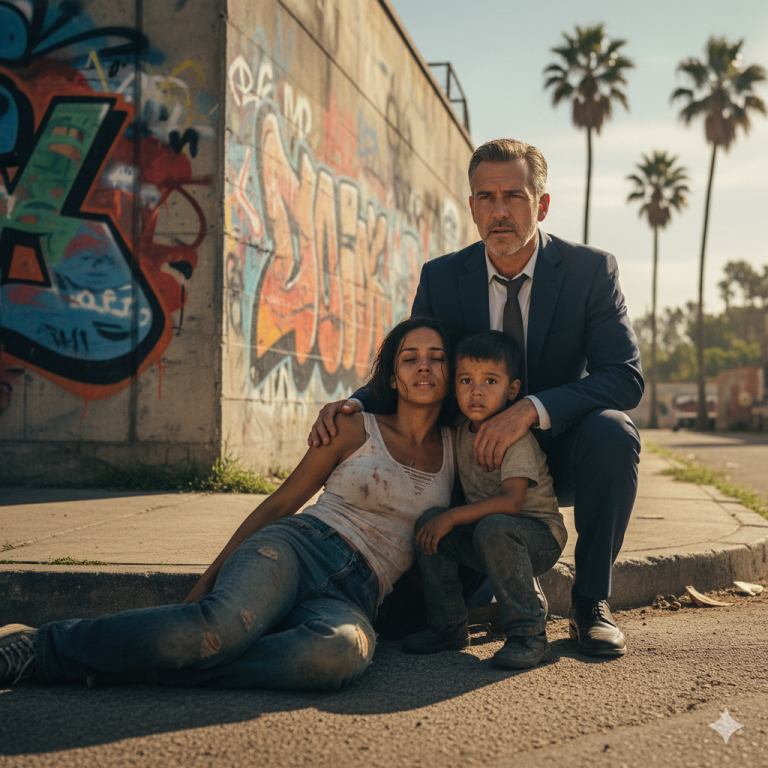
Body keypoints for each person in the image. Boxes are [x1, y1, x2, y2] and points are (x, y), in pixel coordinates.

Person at [309, 138, 643, 657]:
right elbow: (414, 358)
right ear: (471, 207)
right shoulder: (443, 276)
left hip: (563, 448)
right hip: (475, 461)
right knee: (406, 619)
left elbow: (623, 377)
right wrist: (352, 404)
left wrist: (529, 410)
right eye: (485, 198)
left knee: (614, 432)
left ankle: (589, 602)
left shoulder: (589, 272)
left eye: (514, 195)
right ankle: (474, 595)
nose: (500, 211)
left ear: (543, 204)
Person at [0, 318, 455, 691]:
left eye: (437, 359)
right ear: (392, 376)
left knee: (338, 655)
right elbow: (280, 506)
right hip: (297, 549)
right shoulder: (356, 428)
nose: (424, 367)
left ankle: (147, 669)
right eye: (410, 358)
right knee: (212, 630)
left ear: (451, 374)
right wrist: (208, 581)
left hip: (355, 594)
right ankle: (40, 648)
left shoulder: (458, 452)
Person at [402, 332, 566, 669]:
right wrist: (443, 519)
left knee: (485, 526)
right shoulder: (461, 429)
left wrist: (453, 516)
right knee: (430, 524)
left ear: (512, 390)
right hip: (488, 534)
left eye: (490, 380)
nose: (476, 390)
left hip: (539, 538)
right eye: (466, 380)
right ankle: (447, 624)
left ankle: (528, 634)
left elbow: (512, 502)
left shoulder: (515, 438)